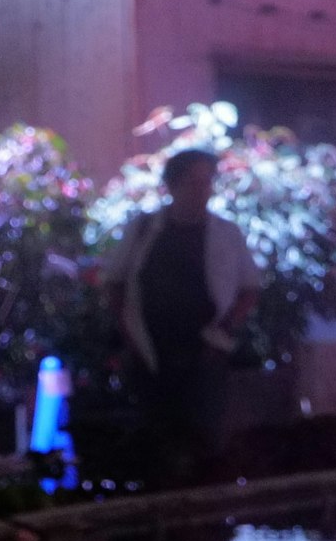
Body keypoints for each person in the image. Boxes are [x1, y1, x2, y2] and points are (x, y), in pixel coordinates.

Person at [106, 148, 255, 484]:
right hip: (151, 351)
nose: (202, 191)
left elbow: (249, 288)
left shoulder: (226, 234)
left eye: (207, 183)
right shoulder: (144, 230)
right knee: (156, 440)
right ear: (172, 186)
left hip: (205, 351)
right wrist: (130, 335)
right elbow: (114, 283)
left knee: (204, 442)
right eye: (193, 183)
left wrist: (225, 332)